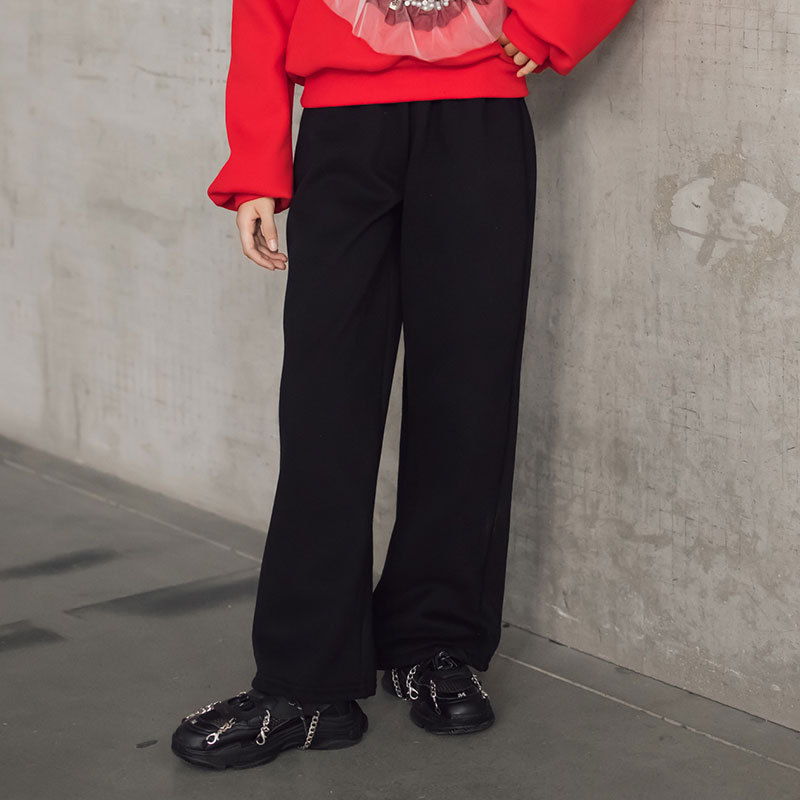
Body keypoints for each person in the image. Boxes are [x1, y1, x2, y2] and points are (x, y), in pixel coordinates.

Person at [172, 0, 636, 770]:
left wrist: (549, 20)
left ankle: (433, 642)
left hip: (479, 117)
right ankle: (307, 682)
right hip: (341, 128)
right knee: (324, 406)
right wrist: (257, 159)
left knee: (469, 392)